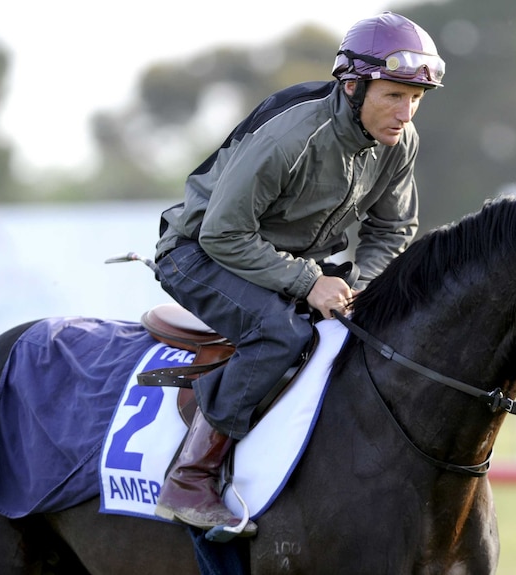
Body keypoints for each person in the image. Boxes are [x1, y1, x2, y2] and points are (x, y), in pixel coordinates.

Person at [152, 11, 446, 535]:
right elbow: (223, 235)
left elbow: (393, 230)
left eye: (416, 99)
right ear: (353, 86)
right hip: (199, 252)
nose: (406, 113)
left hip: (280, 260)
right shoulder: (293, 136)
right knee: (278, 333)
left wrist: (360, 289)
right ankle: (189, 479)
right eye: (394, 96)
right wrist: (310, 283)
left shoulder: (400, 142)